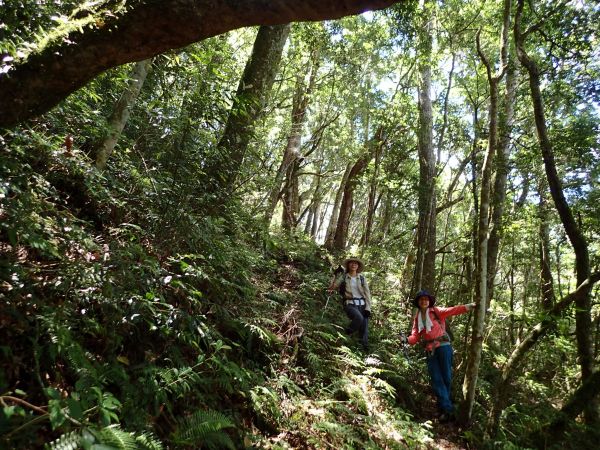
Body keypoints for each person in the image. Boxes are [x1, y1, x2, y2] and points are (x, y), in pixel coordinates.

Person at [403, 289, 475, 422]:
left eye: (426, 299)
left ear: (429, 301)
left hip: (443, 347)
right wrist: (406, 340)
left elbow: (452, 310)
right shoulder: (417, 318)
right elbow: (415, 336)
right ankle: (447, 409)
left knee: (446, 377)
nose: (424, 301)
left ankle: (444, 407)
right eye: (421, 300)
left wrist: (468, 306)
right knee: (436, 379)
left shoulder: (435, 311)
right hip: (430, 350)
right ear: (418, 303)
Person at [328, 257, 372, 352]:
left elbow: (367, 293)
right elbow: (333, 287)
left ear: (358, 266)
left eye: (356, 263)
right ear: (348, 265)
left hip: (363, 304)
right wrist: (334, 276)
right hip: (350, 303)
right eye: (351, 263)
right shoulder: (344, 277)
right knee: (358, 318)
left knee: (364, 329)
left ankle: (364, 349)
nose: (353, 265)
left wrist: (368, 308)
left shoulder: (362, 278)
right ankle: (346, 334)